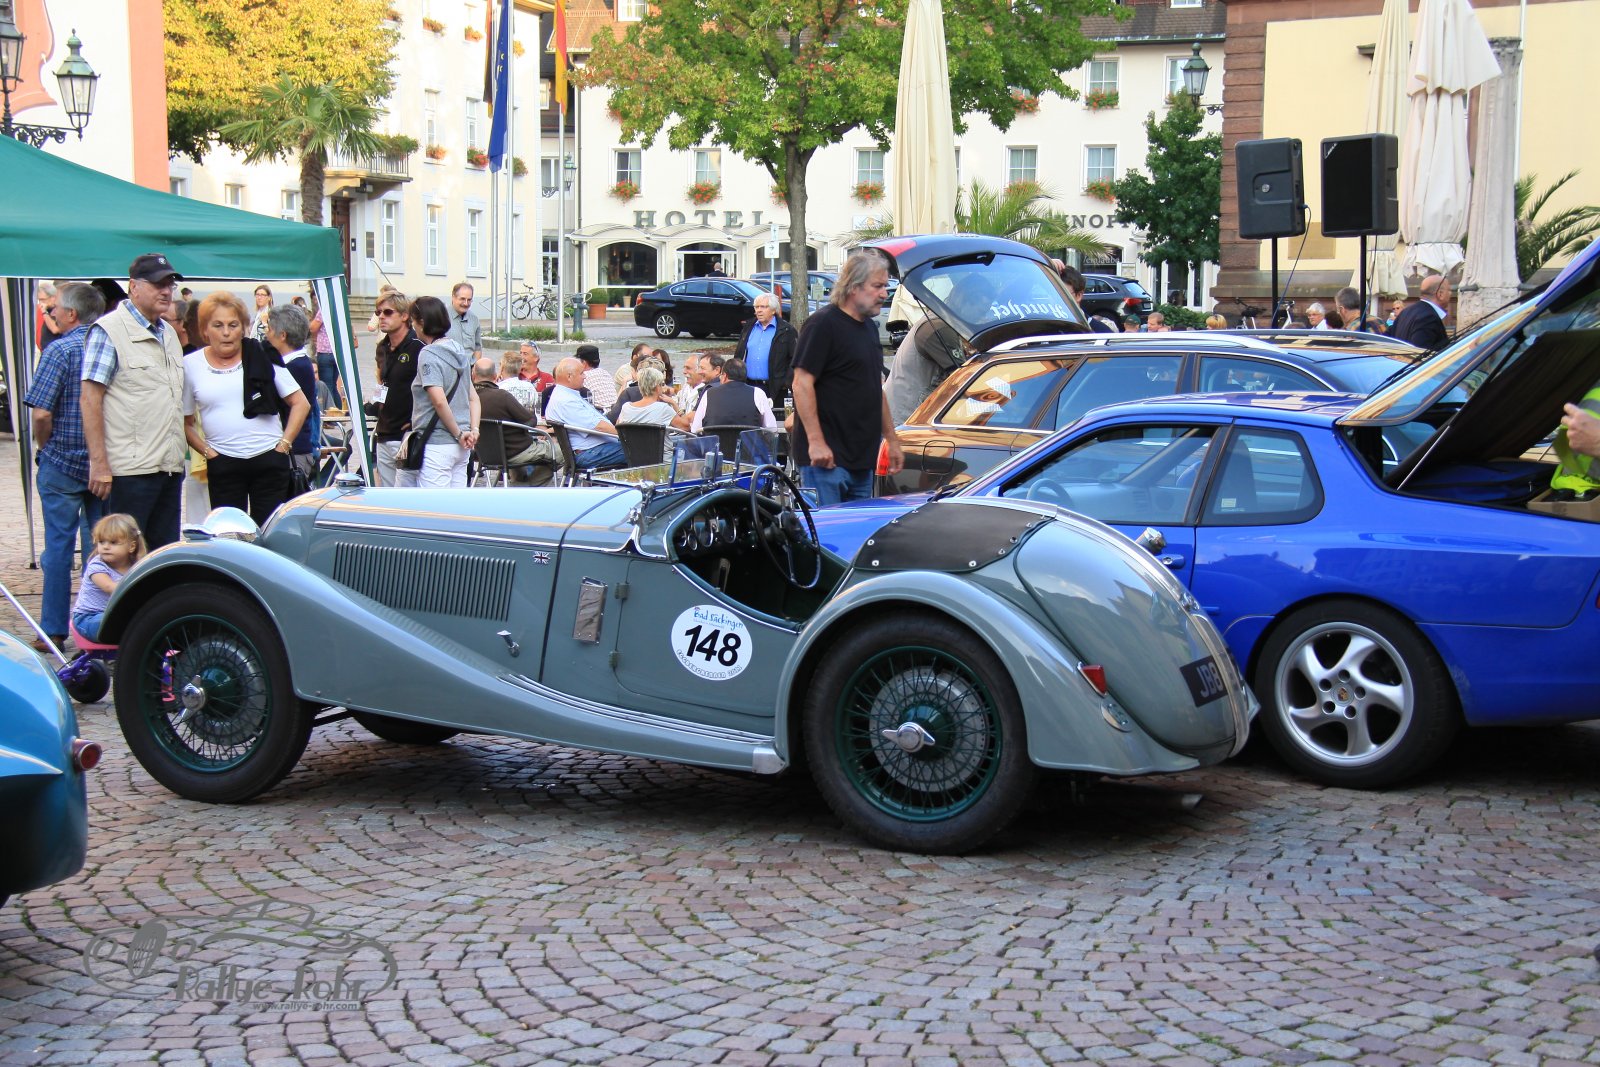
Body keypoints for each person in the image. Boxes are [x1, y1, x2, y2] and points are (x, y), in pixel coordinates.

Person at [81, 253, 190, 548]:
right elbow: (90, 399)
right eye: (158, 284)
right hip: (129, 472)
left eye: (169, 284)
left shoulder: (169, 333)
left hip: (168, 467)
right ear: (134, 286)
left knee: (161, 556)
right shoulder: (109, 330)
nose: (166, 291)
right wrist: (99, 464)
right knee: (123, 556)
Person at [23, 282, 107, 651]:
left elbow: (41, 413)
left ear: (72, 313)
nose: (51, 311)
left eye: (55, 307)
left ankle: (53, 630)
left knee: (57, 547)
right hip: (102, 462)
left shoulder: (58, 350)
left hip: (61, 460)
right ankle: (95, 627)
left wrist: (46, 448)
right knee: (101, 547)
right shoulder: (109, 346)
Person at [182, 292, 310, 524]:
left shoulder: (261, 354)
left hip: (269, 458)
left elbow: (300, 403)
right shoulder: (190, 365)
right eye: (218, 325)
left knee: (270, 530)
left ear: (243, 328)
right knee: (229, 531)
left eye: (233, 325)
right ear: (205, 330)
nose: (226, 332)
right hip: (223, 461)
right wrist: (208, 453)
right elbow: (185, 422)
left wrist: (284, 445)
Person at [790, 249, 903, 504]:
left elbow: (875, 389)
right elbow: (801, 384)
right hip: (825, 461)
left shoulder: (870, 329)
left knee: (855, 528)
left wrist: (892, 440)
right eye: (878, 286)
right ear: (853, 287)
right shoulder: (822, 325)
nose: (884, 294)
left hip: (862, 460)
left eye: (885, 287)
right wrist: (816, 442)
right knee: (829, 530)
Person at [408, 295, 480, 488]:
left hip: (437, 442)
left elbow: (439, 401)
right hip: (462, 445)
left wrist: (458, 434)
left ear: (421, 322)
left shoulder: (428, 354)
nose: (413, 326)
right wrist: (474, 430)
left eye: (413, 321)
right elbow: (473, 398)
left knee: (434, 504)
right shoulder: (459, 350)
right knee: (456, 504)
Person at [471, 357, 556, 483]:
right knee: (561, 453)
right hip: (513, 451)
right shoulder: (502, 396)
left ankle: (518, 484)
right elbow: (530, 420)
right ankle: (524, 488)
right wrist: (517, 427)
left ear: (473, 376)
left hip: (481, 453)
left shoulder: (466, 398)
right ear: (495, 376)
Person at [264, 303, 322, 488]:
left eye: (269, 329)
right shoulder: (295, 363)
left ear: (282, 335)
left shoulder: (295, 366)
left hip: (294, 451)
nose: (266, 334)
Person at [373, 291, 424, 487]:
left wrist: (414, 422)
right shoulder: (382, 347)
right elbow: (382, 382)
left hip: (406, 433)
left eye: (387, 312)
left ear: (404, 316)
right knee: (388, 494)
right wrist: (375, 405)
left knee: (408, 494)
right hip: (384, 431)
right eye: (378, 312)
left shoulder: (417, 347)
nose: (381, 317)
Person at [71, 513, 146, 642]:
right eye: (101, 542)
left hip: (112, 616)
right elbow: (109, 587)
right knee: (132, 622)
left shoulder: (135, 566)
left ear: (132, 546)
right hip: (88, 618)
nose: (105, 547)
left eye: (113, 542)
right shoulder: (97, 565)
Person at [546, 356, 627, 470]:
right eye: (581, 373)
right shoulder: (566, 401)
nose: (585, 376)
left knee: (640, 446)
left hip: (594, 449)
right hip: (589, 453)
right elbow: (599, 427)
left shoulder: (566, 395)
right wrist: (627, 436)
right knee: (641, 448)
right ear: (569, 377)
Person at [735, 291, 797, 407]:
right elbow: (739, 354)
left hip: (774, 389)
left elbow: (795, 359)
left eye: (763, 307)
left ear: (773, 310)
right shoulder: (748, 327)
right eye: (756, 307)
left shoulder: (786, 330)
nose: (758, 310)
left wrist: (786, 383)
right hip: (749, 386)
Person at [691, 356, 777, 433]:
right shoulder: (758, 393)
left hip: (715, 445)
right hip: (748, 445)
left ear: (725, 376)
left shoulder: (709, 394)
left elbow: (695, 429)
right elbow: (771, 428)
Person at [1391, 275, 1451, 349]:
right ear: (1440, 294)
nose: (1450, 294)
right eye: (1449, 290)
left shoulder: (1405, 312)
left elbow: (1389, 339)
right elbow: (1421, 352)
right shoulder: (1429, 318)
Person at [307, 296, 341, 408]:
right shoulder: (339, 309)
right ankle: (338, 410)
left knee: (326, 386)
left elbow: (313, 328)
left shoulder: (325, 308)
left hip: (325, 351)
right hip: (336, 353)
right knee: (333, 385)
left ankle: (330, 411)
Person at [576, 343, 618, 412]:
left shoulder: (583, 376)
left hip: (599, 412)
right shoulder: (605, 373)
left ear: (584, 363)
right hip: (616, 411)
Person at [447, 282, 483, 357]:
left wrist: (475, 364)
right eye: (462, 299)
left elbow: (478, 347)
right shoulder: (442, 317)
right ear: (453, 297)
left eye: (469, 300)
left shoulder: (474, 319)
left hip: (470, 363)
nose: (466, 303)